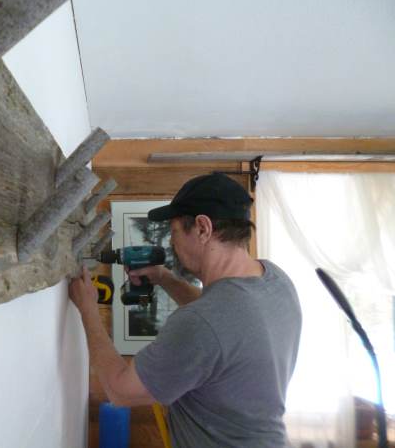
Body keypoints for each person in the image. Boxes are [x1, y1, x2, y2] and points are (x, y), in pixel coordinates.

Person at [68, 172, 302, 448]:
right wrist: (164, 278)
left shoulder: (203, 323)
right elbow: (222, 320)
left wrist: (87, 310)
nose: (172, 245)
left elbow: (120, 391)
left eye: (174, 231)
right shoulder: (276, 281)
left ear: (203, 228)